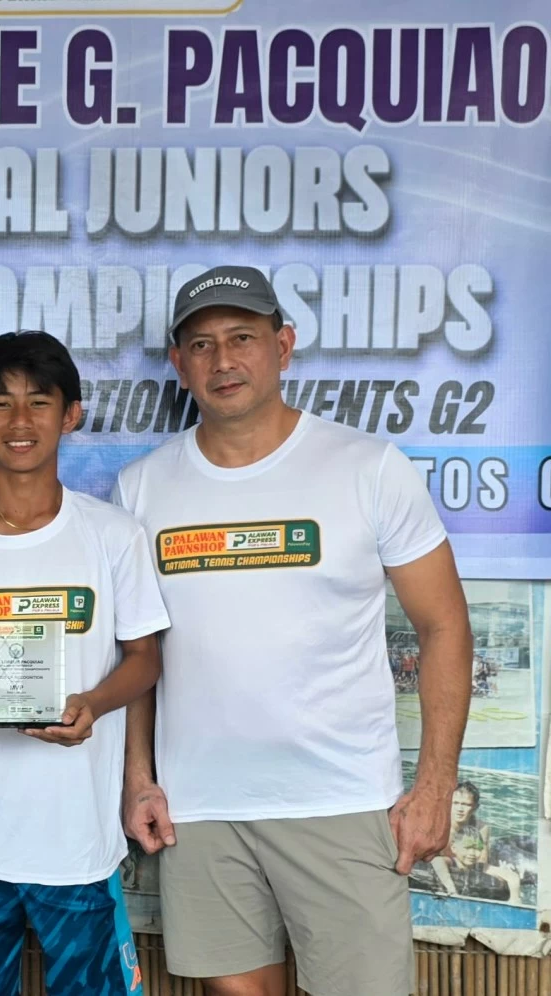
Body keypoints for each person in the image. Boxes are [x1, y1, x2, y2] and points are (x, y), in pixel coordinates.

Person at [116, 267, 473, 996]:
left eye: (242, 338)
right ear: (180, 365)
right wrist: (138, 779)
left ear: (284, 345)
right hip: (203, 808)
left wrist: (435, 786)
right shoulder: (143, 487)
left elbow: (444, 627)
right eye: (203, 344)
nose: (224, 361)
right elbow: (138, 654)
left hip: (339, 799)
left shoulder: (367, 468)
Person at [0, 331, 169, 996]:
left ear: (71, 414)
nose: (19, 422)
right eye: (0, 404)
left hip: (78, 843)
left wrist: (94, 703)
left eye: (39, 403)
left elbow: (144, 658)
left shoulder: (113, 536)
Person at [430, 781, 491, 895]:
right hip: (441, 867)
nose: (460, 809)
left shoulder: (481, 827)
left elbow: (482, 862)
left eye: (466, 804)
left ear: (475, 807)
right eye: (456, 803)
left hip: (465, 868)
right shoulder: (438, 825)